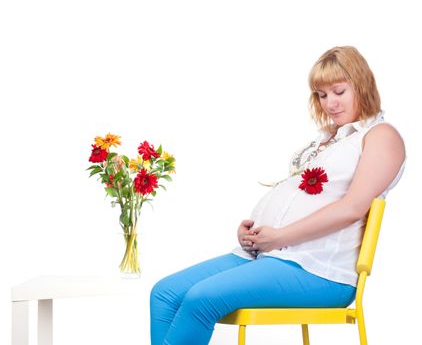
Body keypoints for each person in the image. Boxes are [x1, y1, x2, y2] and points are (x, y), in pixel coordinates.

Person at [150, 46, 406, 345]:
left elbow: (352, 207)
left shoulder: (381, 136)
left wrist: (280, 236)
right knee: (165, 293)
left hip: (320, 270)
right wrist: (256, 232)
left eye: (339, 91)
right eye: (322, 95)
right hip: (269, 255)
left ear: (362, 85)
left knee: (201, 298)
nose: (330, 104)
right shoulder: (328, 140)